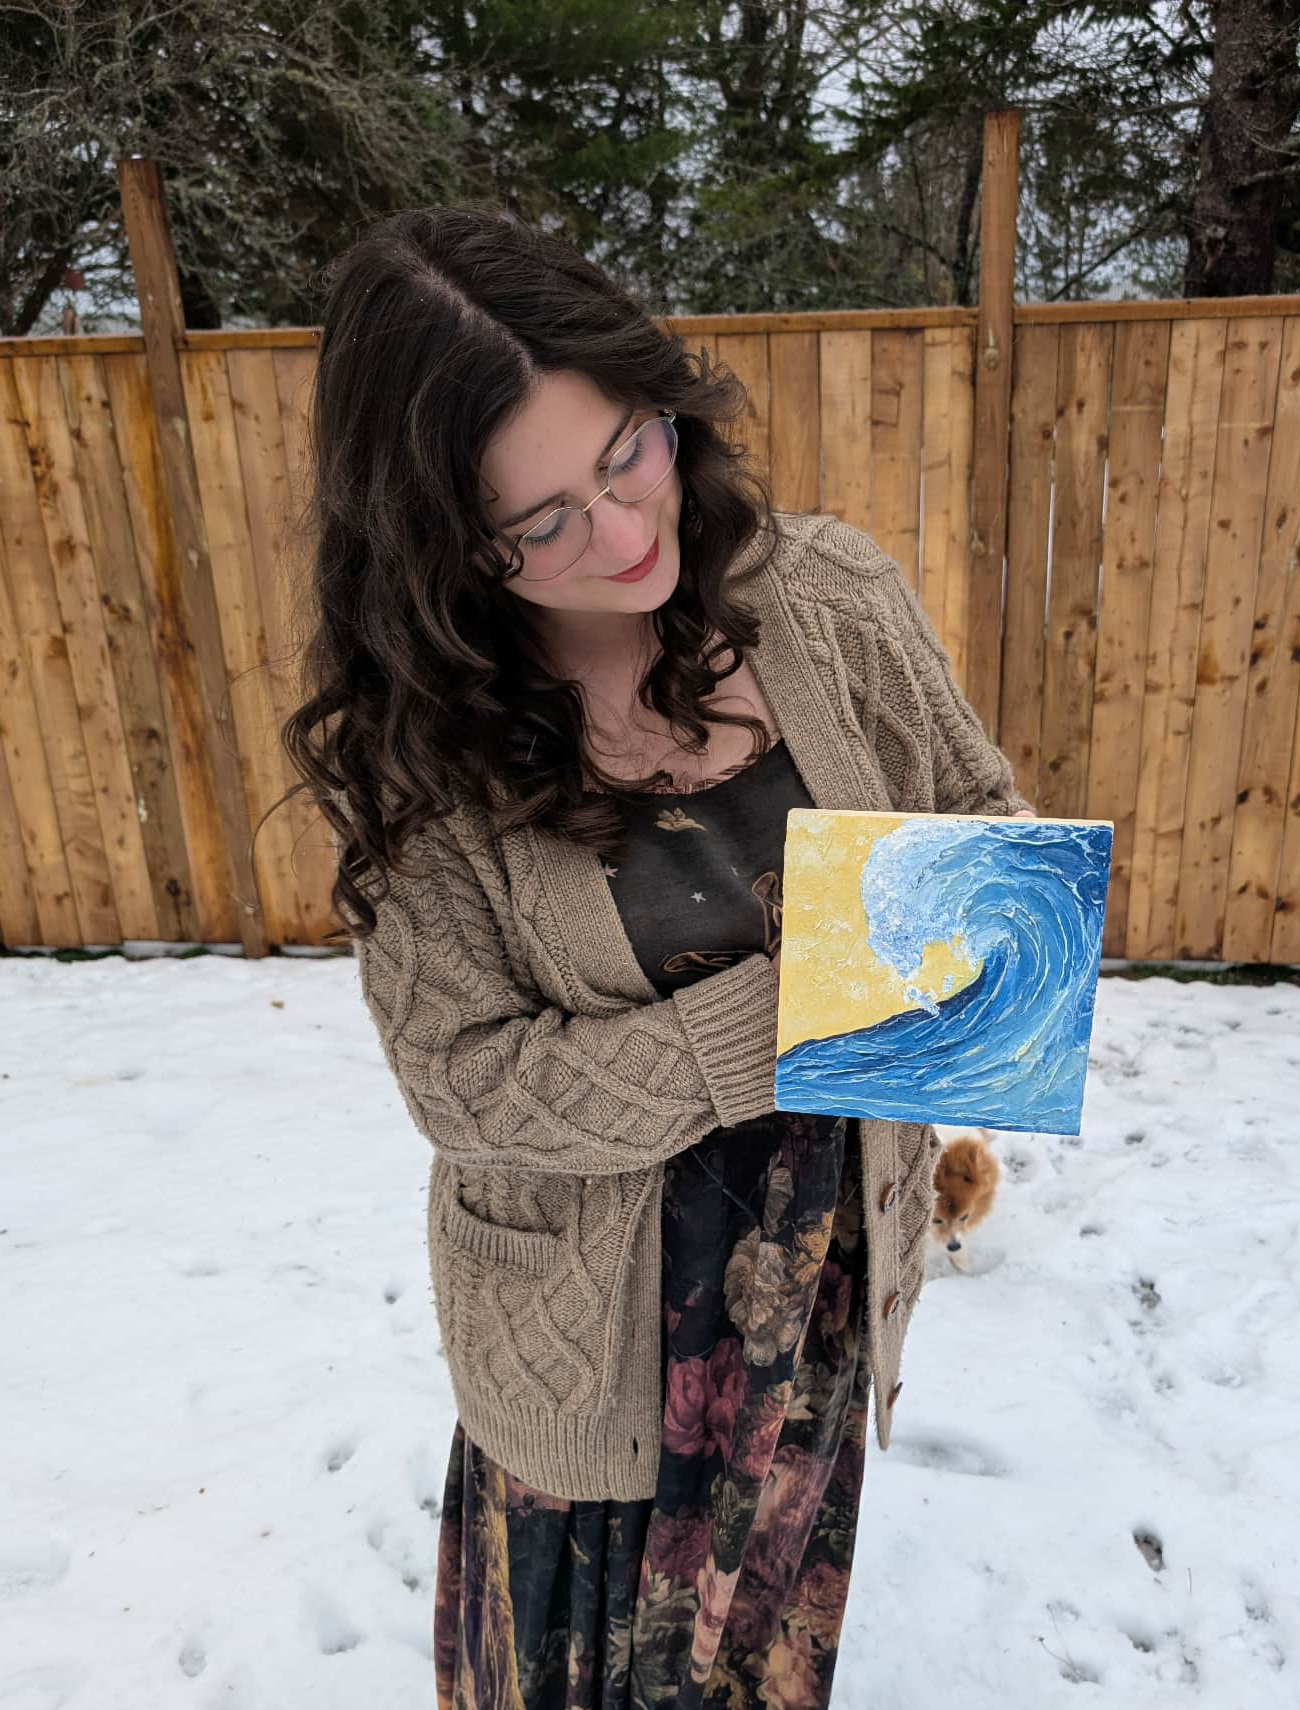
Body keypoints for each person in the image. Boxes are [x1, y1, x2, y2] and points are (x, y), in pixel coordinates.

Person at [287, 203, 1033, 1709]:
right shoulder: (425, 750)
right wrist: (793, 1012)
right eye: (540, 522)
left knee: (757, 1660)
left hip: (819, 1263)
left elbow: (979, 822)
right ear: (445, 549)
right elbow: (467, 1083)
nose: (624, 533)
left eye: (627, 450)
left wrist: (1002, 948)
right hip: (596, 1320)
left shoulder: (827, 597)